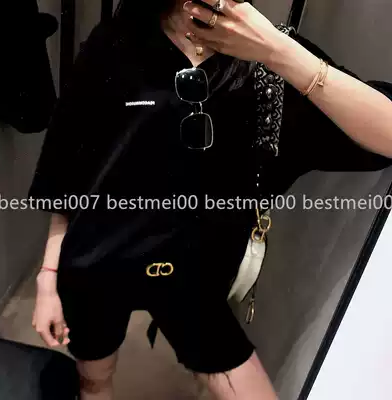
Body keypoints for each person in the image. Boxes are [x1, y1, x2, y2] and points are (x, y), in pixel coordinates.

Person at [29, 1, 392, 399]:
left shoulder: (269, 64)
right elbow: (66, 172)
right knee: (95, 382)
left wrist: (279, 52)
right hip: (99, 266)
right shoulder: (113, 44)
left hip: (195, 280)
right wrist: (49, 275)